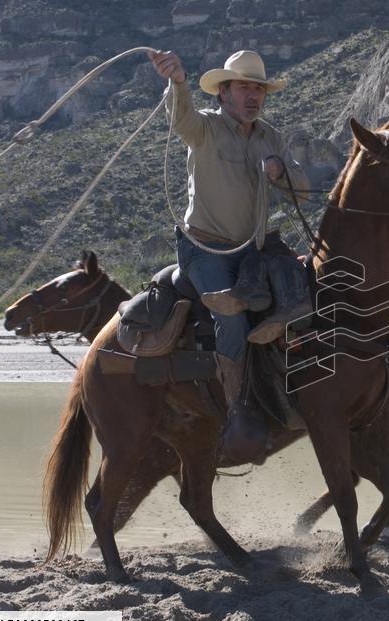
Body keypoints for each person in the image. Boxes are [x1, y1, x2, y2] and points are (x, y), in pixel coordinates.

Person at [149, 49, 313, 461]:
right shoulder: (204, 128)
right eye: (244, 87)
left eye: (259, 88)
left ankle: (296, 390)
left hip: (253, 249)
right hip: (205, 248)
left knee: (304, 287)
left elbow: (304, 191)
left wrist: (282, 171)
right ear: (224, 92)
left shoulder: (270, 137)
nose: (253, 95)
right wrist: (178, 82)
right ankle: (239, 410)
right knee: (231, 316)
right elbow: (179, 119)